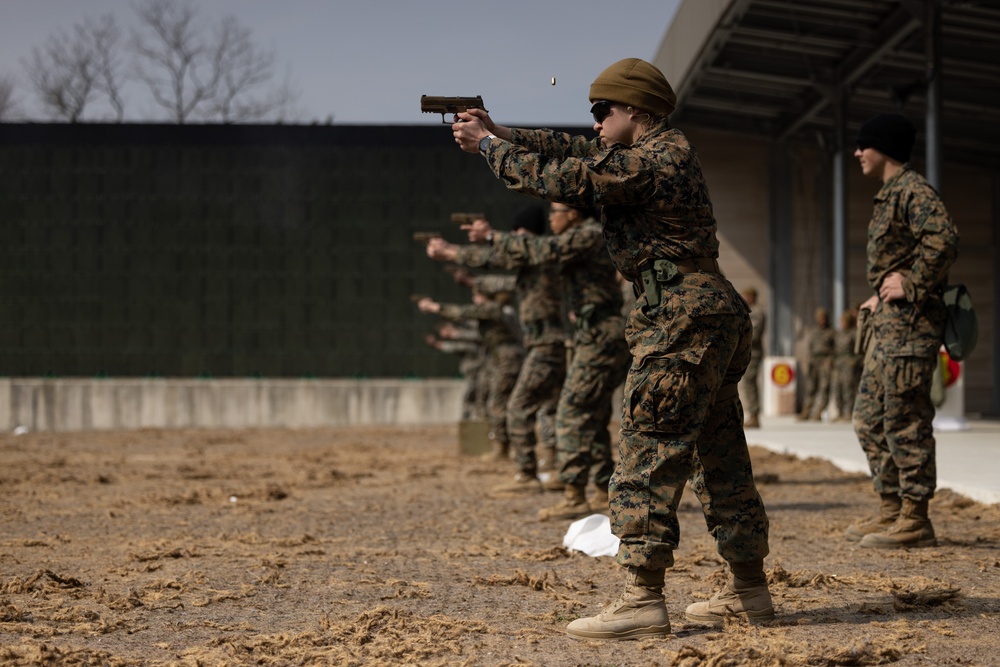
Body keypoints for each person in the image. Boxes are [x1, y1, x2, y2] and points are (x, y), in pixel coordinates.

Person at [451, 57, 772, 639]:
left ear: (639, 112)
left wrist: (489, 150)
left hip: (681, 317)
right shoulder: (650, 154)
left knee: (648, 450)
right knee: (716, 451)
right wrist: (502, 131)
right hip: (701, 310)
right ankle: (746, 589)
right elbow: (572, 151)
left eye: (604, 111)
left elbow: (568, 180)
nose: (595, 121)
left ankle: (642, 599)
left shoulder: (653, 159)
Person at [428, 203, 628, 518]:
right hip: (583, 335)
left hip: (582, 336)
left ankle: (567, 489)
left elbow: (514, 254)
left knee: (566, 410)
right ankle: (599, 488)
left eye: (556, 211)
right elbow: (502, 265)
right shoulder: (558, 247)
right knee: (588, 410)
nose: (551, 218)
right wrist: (459, 257)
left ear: (573, 213)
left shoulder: (572, 242)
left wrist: (480, 241)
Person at [845, 113, 958, 549]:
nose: (857, 152)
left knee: (905, 420)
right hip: (891, 325)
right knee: (868, 420)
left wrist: (910, 284)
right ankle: (890, 506)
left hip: (912, 329)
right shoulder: (891, 194)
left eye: (863, 145)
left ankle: (916, 518)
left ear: (884, 148)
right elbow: (905, 256)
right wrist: (881, 291)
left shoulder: (912, 190)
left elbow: (943, 239)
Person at [428, 205, 568, 495]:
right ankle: (556, 468)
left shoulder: (540, 251)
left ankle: (529, 473)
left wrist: (462, 249)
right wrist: (465, 268)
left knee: (518, 406)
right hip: (548, 342)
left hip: (546, 342)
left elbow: (499, 256)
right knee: (552, 407)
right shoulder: (534, 260)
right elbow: (500, 270)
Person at [418, 288, 524, 462]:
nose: (475, 300)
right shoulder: (503, 310)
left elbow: (463, 313)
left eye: (477, 296)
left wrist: (433, 307)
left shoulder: (493, 309)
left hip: (507, 362)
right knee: (501, 404)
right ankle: (504, 446)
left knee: (499, 405)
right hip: (506, 361)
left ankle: (505, 448)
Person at [798, 307, 835, 421]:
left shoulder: (831, 332)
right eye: (820, 318)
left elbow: (836, 349)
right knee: (811, 387)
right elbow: (810, 348)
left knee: (824, 388)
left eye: (824, 318)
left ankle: (818, 412)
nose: (822, 320)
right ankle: (806, 411)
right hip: (814, 361)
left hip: (825, 361)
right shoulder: (814, 332)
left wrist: (831, 360)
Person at [739, 287, 765, 428]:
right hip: (747, 352)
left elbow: (753, 334)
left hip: (753, 354)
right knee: (747, 383)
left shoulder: (757, 312)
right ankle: (752, 414)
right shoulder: (747, 311)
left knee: (750, 382)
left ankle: (754, 415)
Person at [832, 308, 861, 422]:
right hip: (839, 363)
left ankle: (848, 412)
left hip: (849, 364)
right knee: (837, 388)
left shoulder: (854, 334)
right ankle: (840, 412)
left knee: (848, 389)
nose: (842, 323)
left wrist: (855, 362)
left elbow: (860, 351)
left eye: (844, 321)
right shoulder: (838, 334)